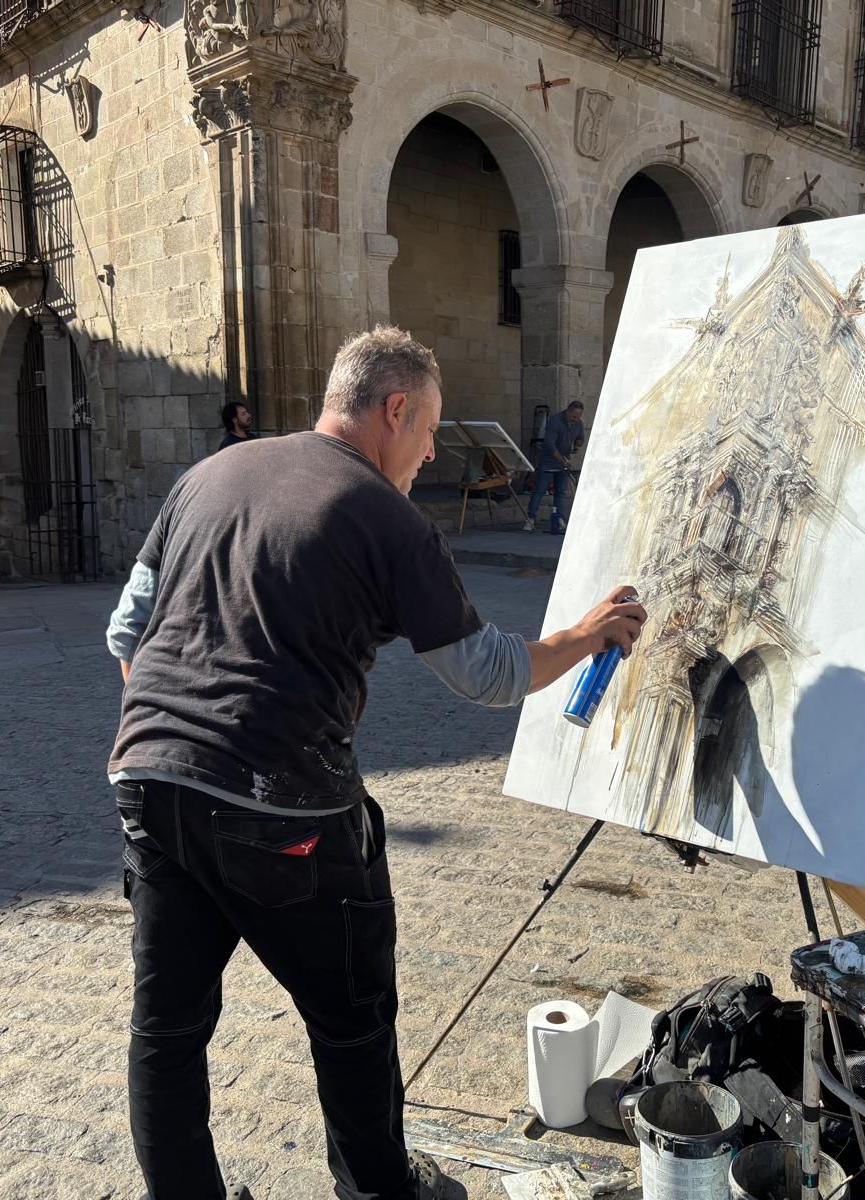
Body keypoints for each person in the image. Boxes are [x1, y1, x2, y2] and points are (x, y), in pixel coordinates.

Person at [105, 326, 645, 1200]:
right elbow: (489, 673)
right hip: (282, 807)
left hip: (146, 783)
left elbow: (126, 632)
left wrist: (176, 735)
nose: (432, 454)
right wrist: (586, 636)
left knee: (166, 1031)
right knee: (352, 1025)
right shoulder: (386, 516)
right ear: (394, 410)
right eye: (429, 431)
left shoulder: (208, 474)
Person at [524, 400, 585, 534]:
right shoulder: (555, 421)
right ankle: (530, 518)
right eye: (573, 416)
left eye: (578, 417)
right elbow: (549, 445)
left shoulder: (577, 423)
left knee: (561, 492)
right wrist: (561, 460)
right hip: (548, 462)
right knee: (540, 490)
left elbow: (580, 437)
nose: (575, 419)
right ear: (568, 411)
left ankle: (559, 519)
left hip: (564, 460)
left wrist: (577, 445)